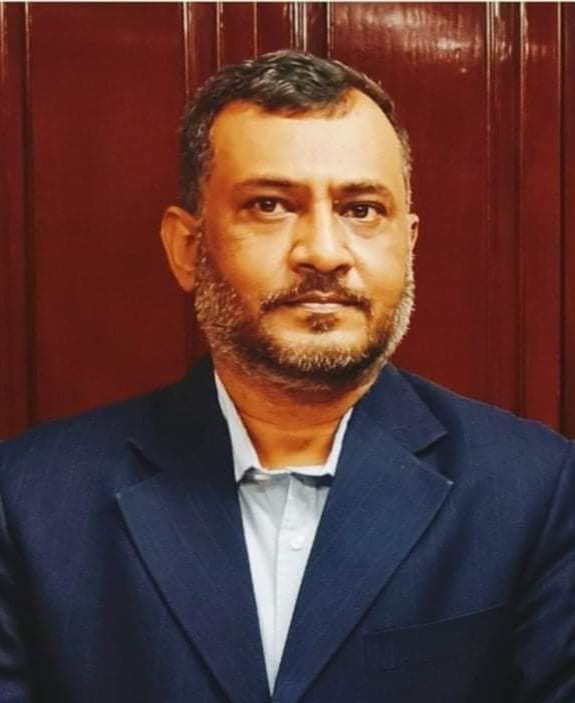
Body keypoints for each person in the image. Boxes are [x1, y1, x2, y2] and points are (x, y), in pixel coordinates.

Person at [0, 50, 573, 703]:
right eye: (270, 205)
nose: (323, 253)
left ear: (407, 243)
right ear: (188, 247)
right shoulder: (29, 500)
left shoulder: (536, 491)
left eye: (362, 210)